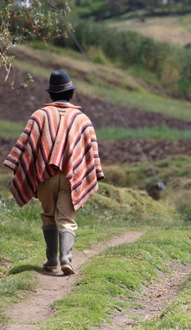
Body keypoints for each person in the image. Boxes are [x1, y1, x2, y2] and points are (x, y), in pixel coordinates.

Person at [3, 69, 104, 275]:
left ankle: (51, 259)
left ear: (50, 94)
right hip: (71, 175)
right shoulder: (81, 119)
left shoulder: (39, 116)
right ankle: (66, 259)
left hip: (43, 175)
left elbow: (27, 148)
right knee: (66, 218)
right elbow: (89, 152)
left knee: (49, 215)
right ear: (71, 94)